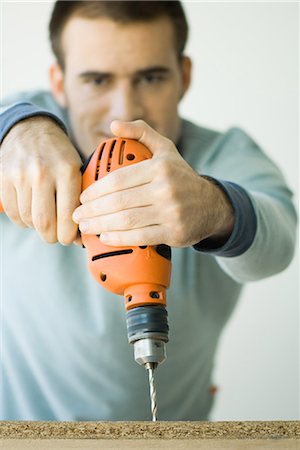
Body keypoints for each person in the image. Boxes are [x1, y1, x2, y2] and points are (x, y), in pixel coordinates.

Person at [0, 1, 297, 421]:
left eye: (151, 77)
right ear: (59, 84)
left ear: (184, 76)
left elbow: (279, 242)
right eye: (97, 79)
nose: (124, 109)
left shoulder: (224, 154)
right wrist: (15, 128)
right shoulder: (25, 144)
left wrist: (212, 207)